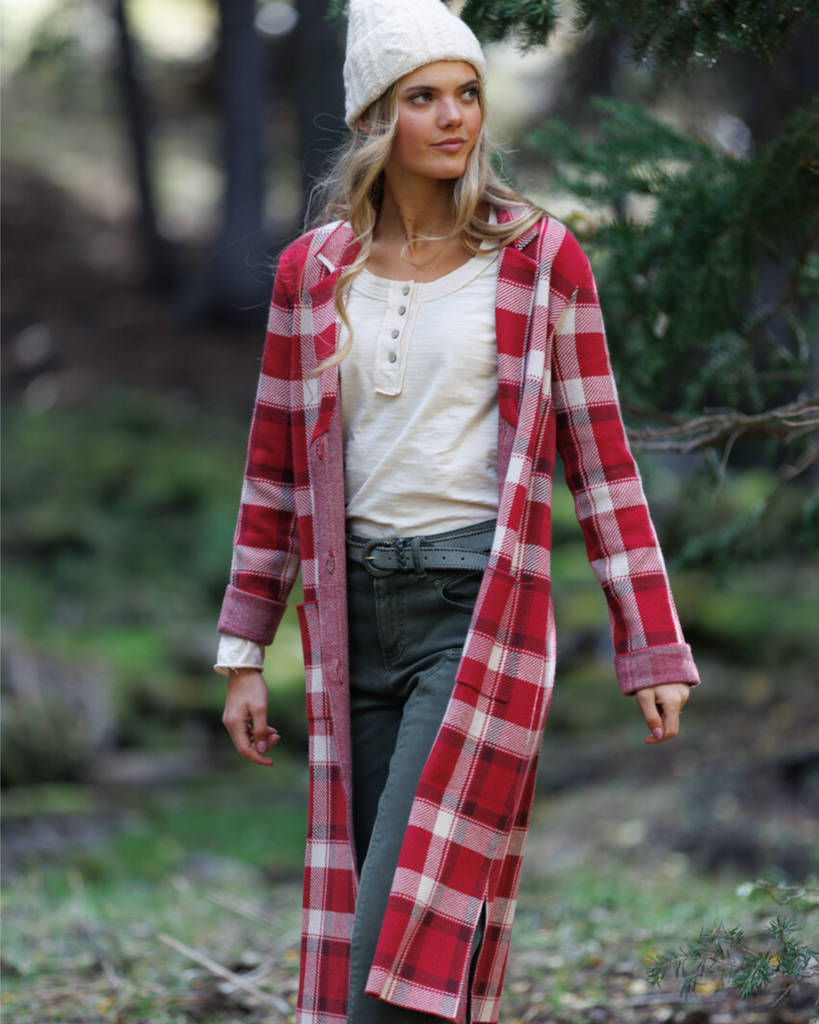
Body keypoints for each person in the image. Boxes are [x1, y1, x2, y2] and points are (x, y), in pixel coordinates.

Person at [214, 1, 701, 1022]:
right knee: (384, 929)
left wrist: (650, 648)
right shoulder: (313, 276)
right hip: (351, 623)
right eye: (422, 97)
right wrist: (244, 651)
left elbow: (603, 464)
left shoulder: (537, 260)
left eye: (467, 93)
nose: (454, 117)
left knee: (401, 941)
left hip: (475, 618)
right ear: (370, 120)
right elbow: (272, 474)